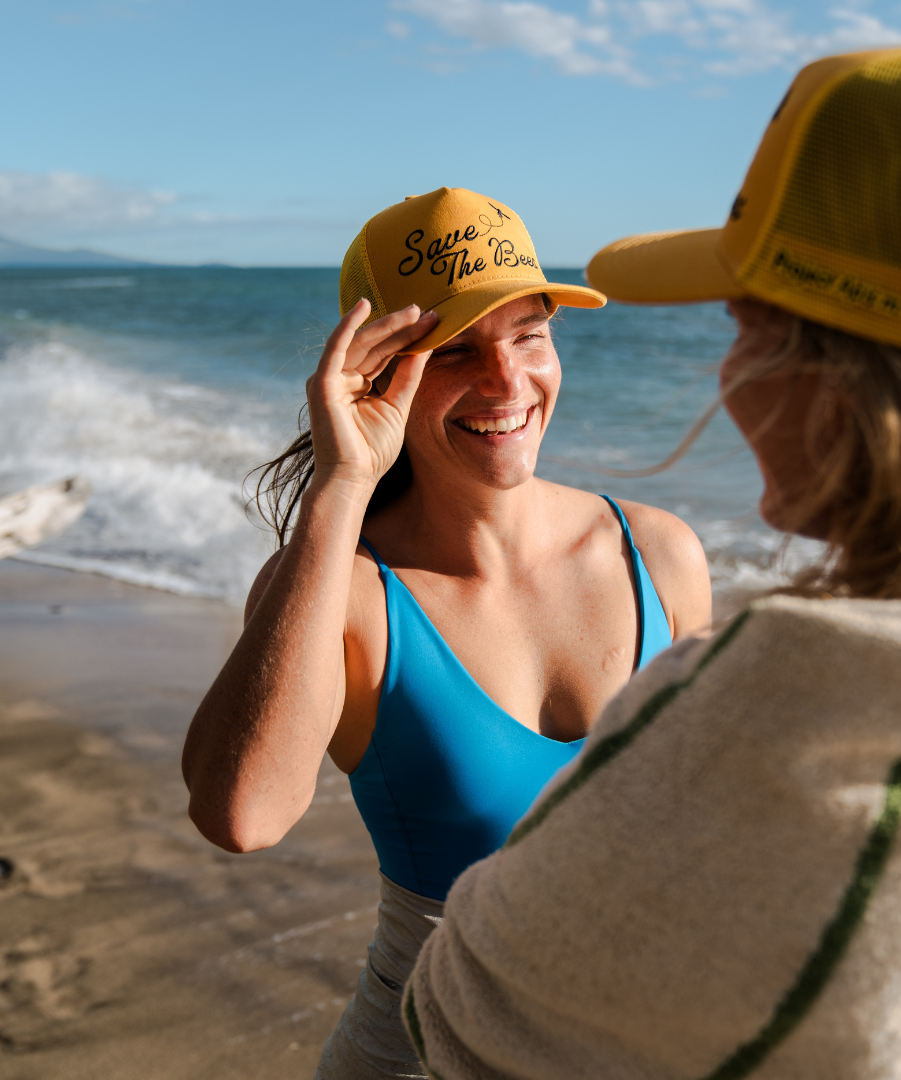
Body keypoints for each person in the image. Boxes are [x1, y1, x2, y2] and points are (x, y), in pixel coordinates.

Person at [405, 33, 901, 1079]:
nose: (727, 368)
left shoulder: (760, 715)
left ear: (828, 375)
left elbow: (462, 1010)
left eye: (741, 318)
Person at [180, 186, 713, 1079]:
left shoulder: (658, 554)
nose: (508, 384)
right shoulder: (344, 587)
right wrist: (340, 489)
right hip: (427, 1057)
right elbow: (243, 816)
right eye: (457, 350)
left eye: (529, 336)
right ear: (377, 371)